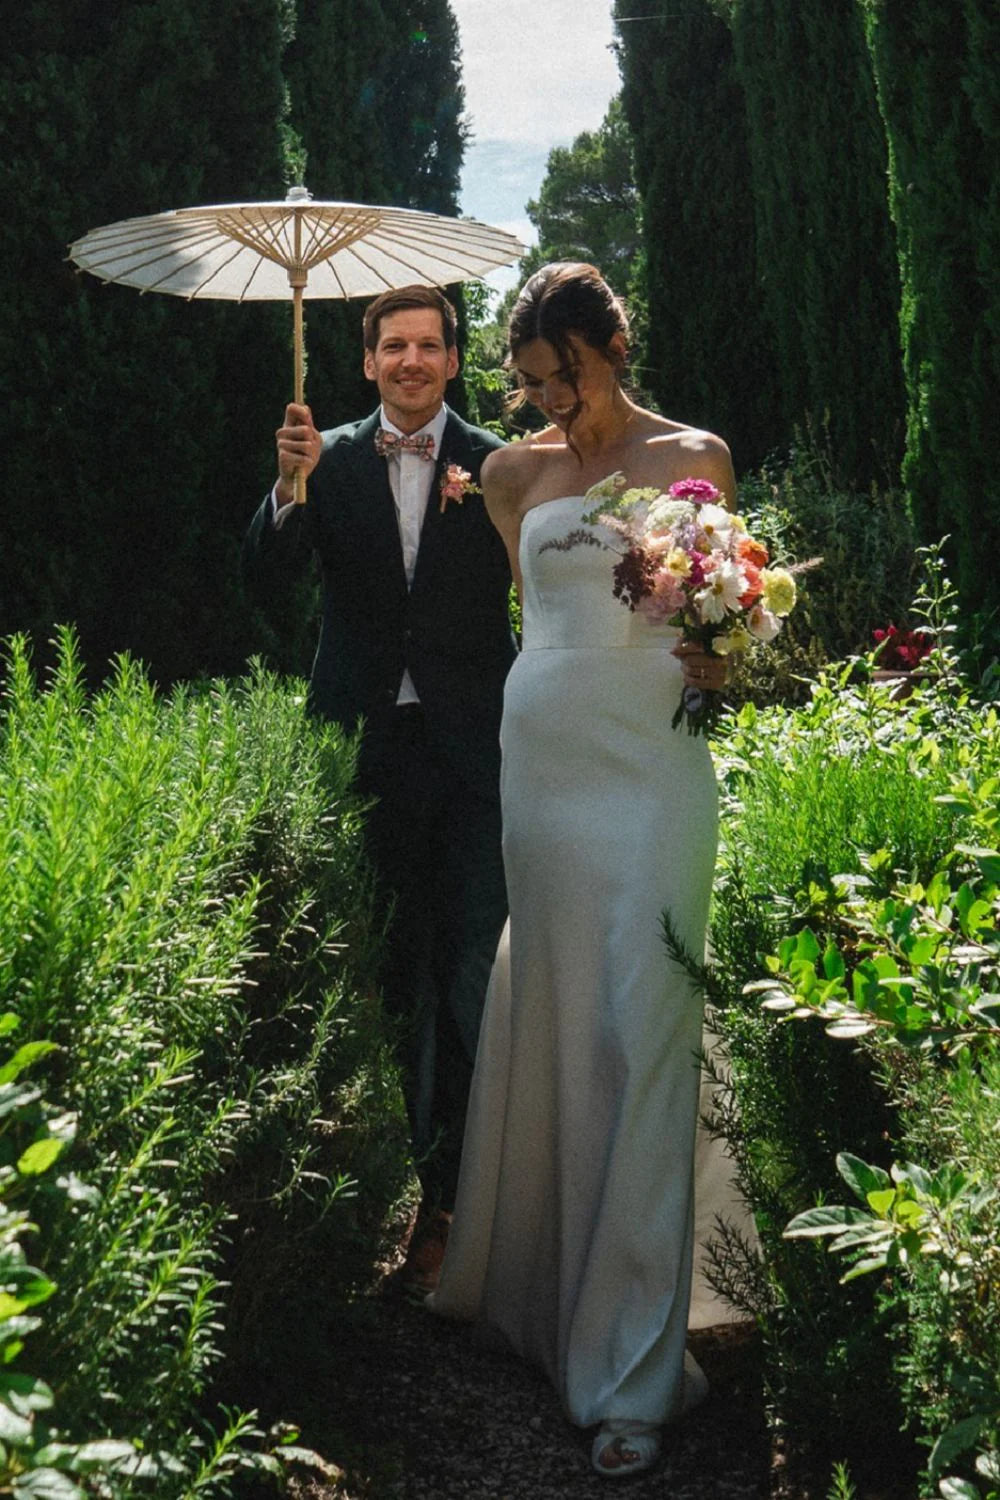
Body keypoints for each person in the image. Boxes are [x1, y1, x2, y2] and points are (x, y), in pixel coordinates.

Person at [428, 262, 737, 1478]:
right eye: (533, 384)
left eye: (568, 375)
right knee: (563, 1016)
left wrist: (723, 653)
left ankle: (635, 1368)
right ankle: (558, 1307)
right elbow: (528, 619)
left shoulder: (692, 455)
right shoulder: (509, 477)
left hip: (655, 765)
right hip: (545, 768)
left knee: (643, 1017)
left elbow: (722, 615)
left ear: (613, 345)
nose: (553, 403)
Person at [243, 285, 516, 1294]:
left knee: (468, 973)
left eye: (428, 346)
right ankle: (408, 1180)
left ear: (453, 359)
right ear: (366, 362)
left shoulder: (498, 464)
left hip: (476, 756)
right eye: (392, 346)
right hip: (365, 753)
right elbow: (265, 586)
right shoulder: (325, 459)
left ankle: (456, 1203)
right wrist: (287, 489)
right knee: (394, 978)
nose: (409, 361)